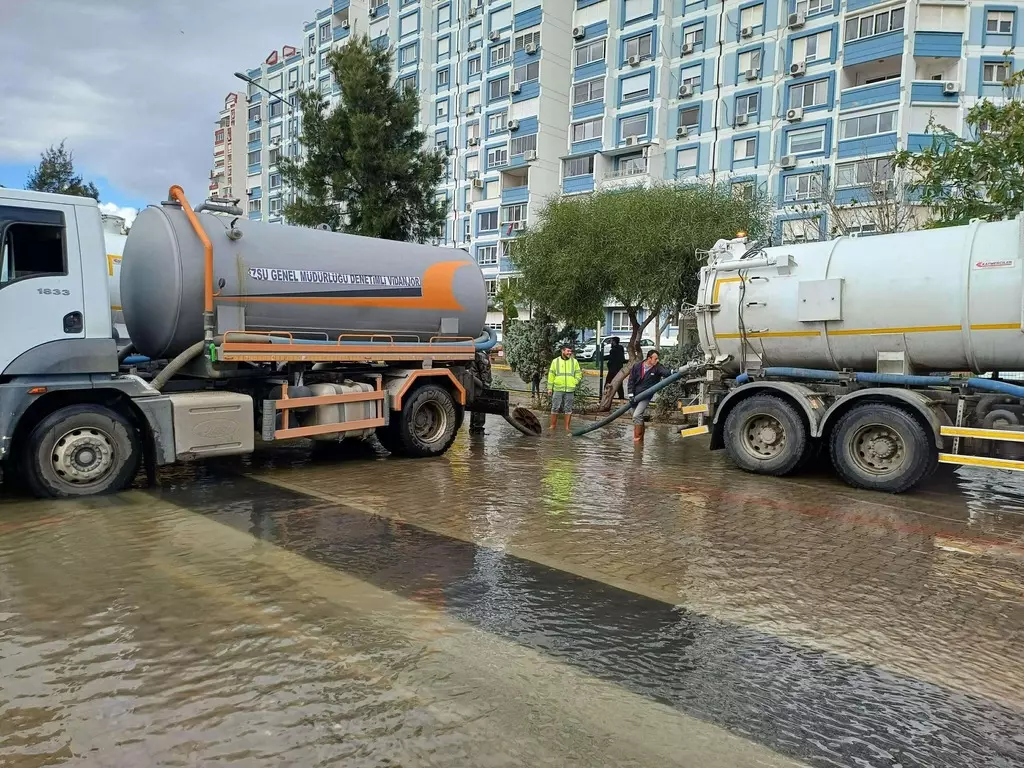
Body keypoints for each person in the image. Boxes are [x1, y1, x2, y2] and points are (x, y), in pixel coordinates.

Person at [628, 350, 672, 444]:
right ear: (649, 358)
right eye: (655, 358)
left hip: (646, 395)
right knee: (634, 415)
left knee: (637, 415)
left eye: (657, 359)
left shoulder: (657, 367)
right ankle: (641, 439)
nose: (657, 360)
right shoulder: (637, 366)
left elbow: (666, 373)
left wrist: (673, 372)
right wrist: (631, 395)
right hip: (635, 395)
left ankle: (637, 440)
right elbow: (631, 380)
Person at [547, 344, 583, 432]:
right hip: (558, 388)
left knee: (568, 408)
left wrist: (575, 382)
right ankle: (552, 426)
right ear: (563, 351)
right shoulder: (555, 361)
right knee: (555, 407)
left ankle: (567, 428)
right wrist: (549, 388)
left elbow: (578, 374)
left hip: (570, 389)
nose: (570, 353)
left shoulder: (574, 362)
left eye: (570, 351)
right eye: (568, 351)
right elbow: (551, 375)